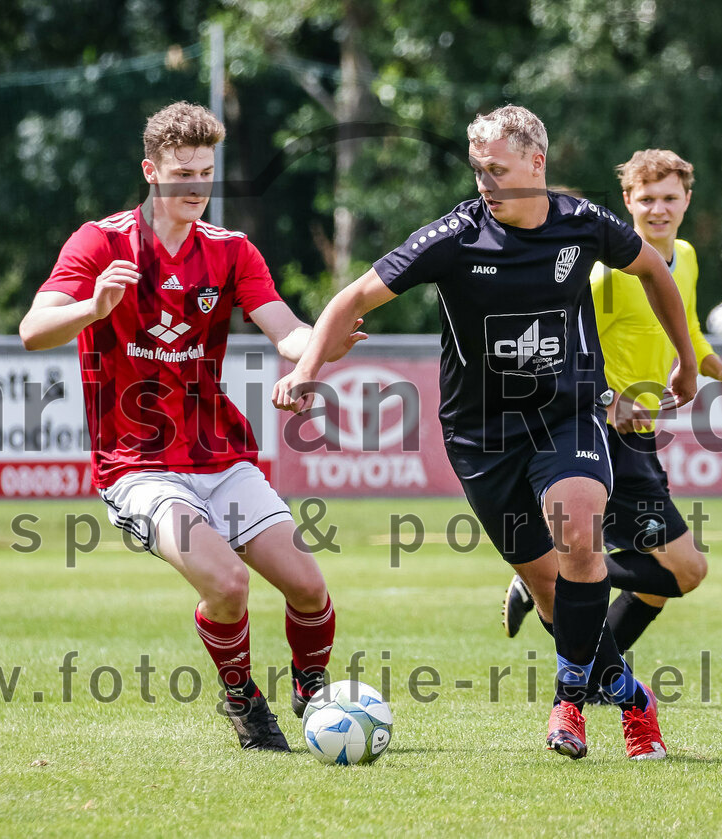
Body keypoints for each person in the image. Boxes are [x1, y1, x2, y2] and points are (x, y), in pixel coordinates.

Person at [273, 105, 698, 760]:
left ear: (537, 163)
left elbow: (652, 269)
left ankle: (569, 700)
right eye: (478, 171)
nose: (485, 183)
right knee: (552, 586)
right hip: (480, 437)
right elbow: (351, 299)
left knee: (579, 531)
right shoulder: (454, 237)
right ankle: (632, 695)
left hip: (568, 413)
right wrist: (306, 369)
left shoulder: (582, 224)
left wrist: (689, 362)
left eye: (496, 169)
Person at [19, 101, 363, 752]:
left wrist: (321, 347)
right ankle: (241, 697)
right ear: (150, 171)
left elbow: (287, 332)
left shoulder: (230, 252)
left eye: (205, 173)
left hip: (220, 455)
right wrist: (93, 307)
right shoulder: (101, 243)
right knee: (227, 582)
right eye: (181, 174)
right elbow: (33, 330)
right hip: (138, 466)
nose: (195, 188)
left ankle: (312, 688)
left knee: (309, 588)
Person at [502, 150, 722, 684]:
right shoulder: (608, 275)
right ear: (627, 203)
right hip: (602, 434)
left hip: (641, 436)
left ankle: (589, 679)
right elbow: (563, 344)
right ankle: (546, 573)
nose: (658, 209)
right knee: (685, 571)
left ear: (687, 199)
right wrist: (610, 399)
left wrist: (712, 368)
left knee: (655, 587)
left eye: (668, 198)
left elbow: (683, 324)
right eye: (647, 199)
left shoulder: (683, 255)